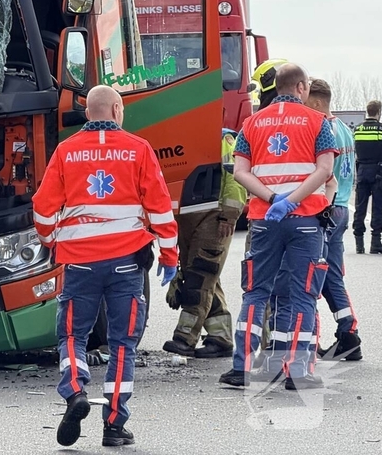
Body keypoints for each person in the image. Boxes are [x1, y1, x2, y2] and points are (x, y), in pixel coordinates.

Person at [33, 85, 178, 448]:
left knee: (72, 335)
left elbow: (42, 208)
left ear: (87, 113)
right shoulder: (138, 149)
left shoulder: (66, 151)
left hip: (79, 262)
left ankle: (74, 391)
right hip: (126, 264)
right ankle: (114, 425)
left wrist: (53, 241)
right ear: (116, 110)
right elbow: (161, 209)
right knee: (123, 343)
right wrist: (169, 257)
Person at [219, 63, 336, 391]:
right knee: (302, 295)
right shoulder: (318, 122)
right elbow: (325, 170)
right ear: (301, 87)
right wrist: (294, 200)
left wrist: (273, 199)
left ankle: (241, 367)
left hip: (264, 220)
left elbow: (240, 172)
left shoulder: (251, 123)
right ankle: (297, 371)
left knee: (256, 292)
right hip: (306, 220)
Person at [163, 128, 246, 358]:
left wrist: (230, 214)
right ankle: (220, 338)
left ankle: (184, 337)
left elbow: (234, 174)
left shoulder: (221, 137)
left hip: (214, 217)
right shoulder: (179, 135)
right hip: (187, 217)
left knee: (199, 277)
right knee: (206, 279)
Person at [306, 79, 362, 360]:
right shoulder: (344, 128)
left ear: (317, 103)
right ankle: (348, 333)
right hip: (341, 209)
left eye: (306, 102)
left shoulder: (323, 129)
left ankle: (308, 341)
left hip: (326, 207)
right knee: (332, 275)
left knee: (310, 275)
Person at [352, 100, 382, 254]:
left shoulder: (358, 129)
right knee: (377, 207)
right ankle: (375, 242)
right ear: (379, 112)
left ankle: (359, 243)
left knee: (360, 207)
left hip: (362, 171)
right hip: (378, 172)